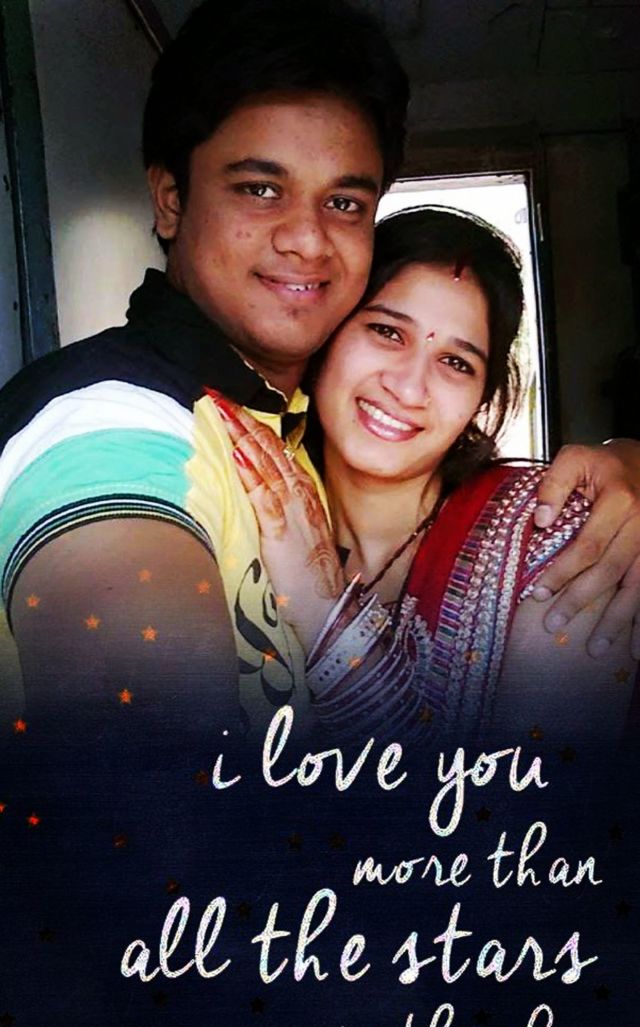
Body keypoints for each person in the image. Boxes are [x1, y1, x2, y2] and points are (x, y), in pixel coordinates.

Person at [0, 0, 639, 753]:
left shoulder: (289, 426)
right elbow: (151, 776)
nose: (307, 240)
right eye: (259, 187)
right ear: (171, 199)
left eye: (343, 202)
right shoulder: (112, 427)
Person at [211, 207, 637, 749]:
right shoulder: (247, 502)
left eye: (456, 362)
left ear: (482, 398)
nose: (410, 388)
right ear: (326, 337)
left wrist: (322, 612)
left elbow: (518, 798)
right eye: (387, 332)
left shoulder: (557, 540)